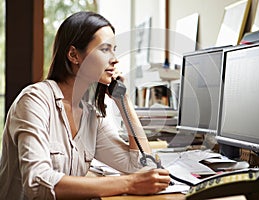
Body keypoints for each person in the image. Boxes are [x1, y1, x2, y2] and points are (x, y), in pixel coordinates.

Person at [0, 11, 171, 200]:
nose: (114, 58)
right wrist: (129, 183)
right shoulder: (34, 101)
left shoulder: (91, 116)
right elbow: (37, 183)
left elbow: (144, 167)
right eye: (105, 49)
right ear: (74, 55)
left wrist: (124, 103)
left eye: (114, 49)